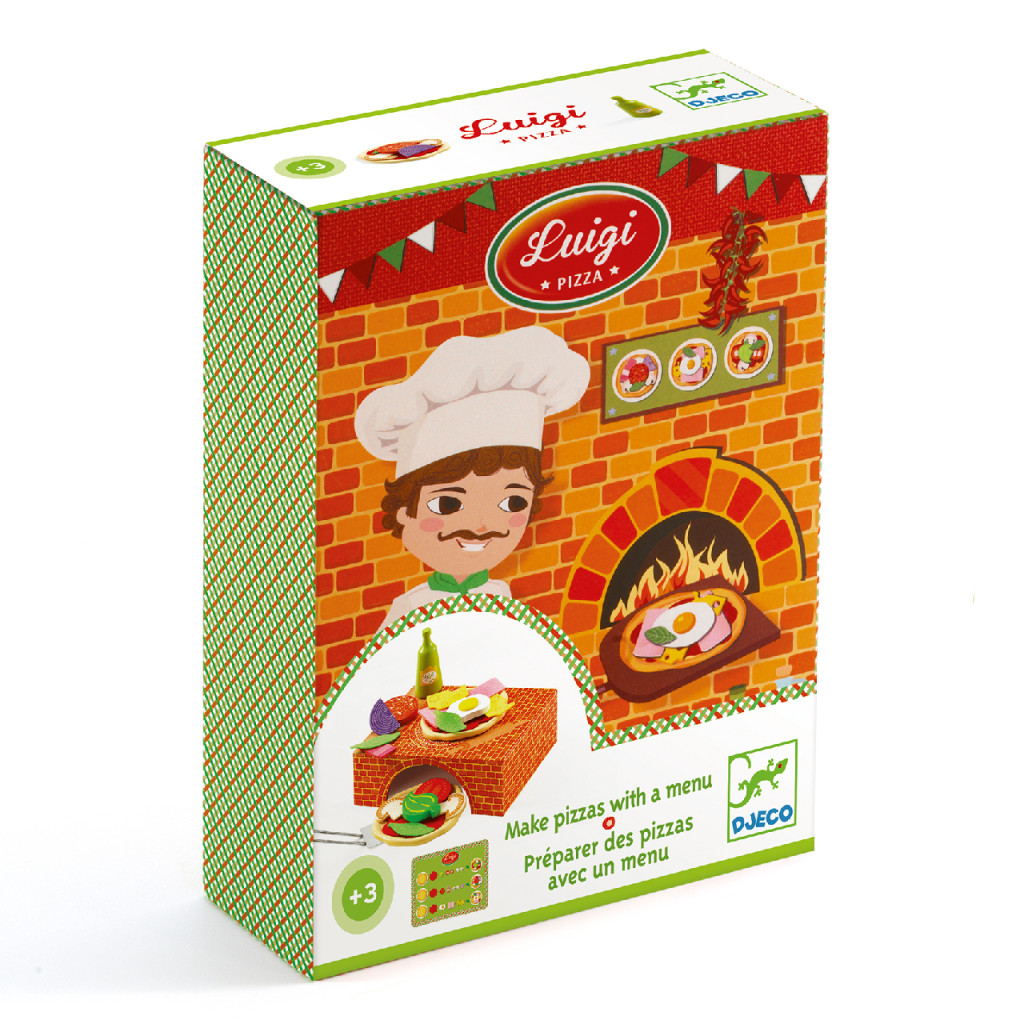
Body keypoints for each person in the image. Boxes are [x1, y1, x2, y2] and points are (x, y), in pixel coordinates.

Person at [354, 326, 589, 628]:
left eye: (513, 502)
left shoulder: (501, 598)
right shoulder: (411, 607)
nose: (481, 525)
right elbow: (382, 658)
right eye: (448, 504)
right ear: (403, 512)